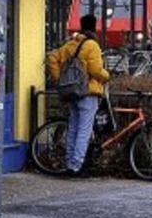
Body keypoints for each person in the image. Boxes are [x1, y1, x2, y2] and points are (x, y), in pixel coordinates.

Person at [45, 14, 111, 177]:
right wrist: (106, 76)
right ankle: (76, 166)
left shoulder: (70, 44)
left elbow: (51, 58)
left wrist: (60, 78)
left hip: (72, 92)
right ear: (94, 27)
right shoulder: (92, 45)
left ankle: (69, 163)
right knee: (84, 130)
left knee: (73, 128)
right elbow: (96, 70)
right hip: (87, 92)